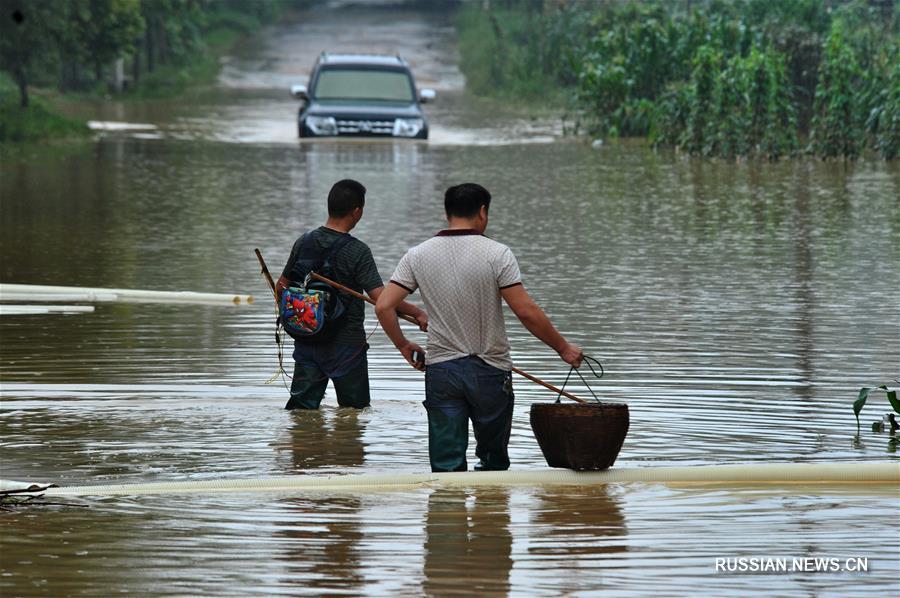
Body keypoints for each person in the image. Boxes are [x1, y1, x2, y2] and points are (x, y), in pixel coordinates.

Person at [375, 183, 582, 472]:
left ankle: (447, 510)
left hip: (442, 371)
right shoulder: (497, 254)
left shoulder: (417, 255)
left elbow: (384, 306)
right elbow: (525, 311)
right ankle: (492, 514)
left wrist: (402, 344)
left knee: (446, 465)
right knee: (493, 464)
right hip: (490, 370)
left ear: (447, 213)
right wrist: (563, 347)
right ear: (482, 211)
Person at [278, 179, 426, 410]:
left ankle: (303, 444)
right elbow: (382, 299)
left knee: (301, 411)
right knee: (354, 412)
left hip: (306, 339)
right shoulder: (357, 250)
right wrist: (415, 313)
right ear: (357, 211)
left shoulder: (303, 242)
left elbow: (282, 287)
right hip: (345, 346)